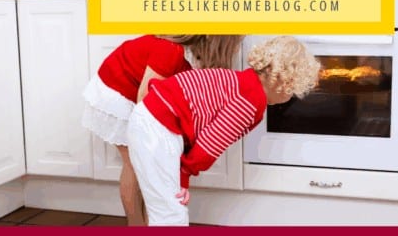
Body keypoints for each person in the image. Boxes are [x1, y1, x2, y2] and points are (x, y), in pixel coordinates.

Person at [126, 35, 321, 226]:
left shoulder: (241, 83)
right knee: (170, 214)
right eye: (292, 93)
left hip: (153, 120)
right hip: (157, 126)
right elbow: (209, 144)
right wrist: (184, 175)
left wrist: (181, 177)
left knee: (165, 205)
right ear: (283, 84)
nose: (290, 98)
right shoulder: (250, 102)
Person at [82, 34, 244, 226]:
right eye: (233, 46)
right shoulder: (171, 51)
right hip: (115, 94)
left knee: (147, 166)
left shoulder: (185, 57)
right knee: (135, 166)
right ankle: (136, 226)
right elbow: (145, 97)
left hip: (126, 89)